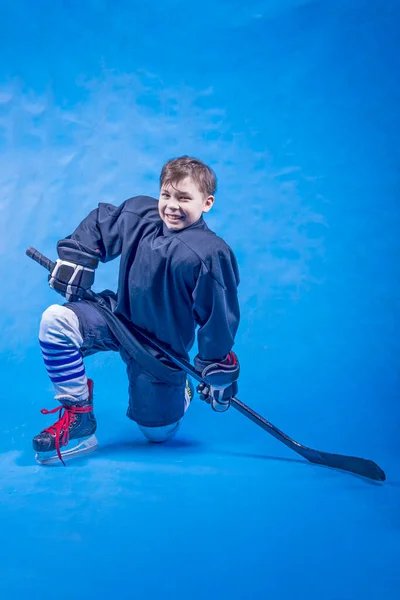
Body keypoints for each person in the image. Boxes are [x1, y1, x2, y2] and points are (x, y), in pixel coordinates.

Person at [33, 156, 241, 465]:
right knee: (55, 321)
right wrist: (77, 259)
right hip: (118, 317)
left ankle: (177, 392)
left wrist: (216, 367)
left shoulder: (209, 253)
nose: (172, 205)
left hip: (159, 348)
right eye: (166, 195)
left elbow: (218, 316)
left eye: (184, 198)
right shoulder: (140, 215)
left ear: (207, 202)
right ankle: (80, 421)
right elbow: (100, 224)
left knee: (157, 434)